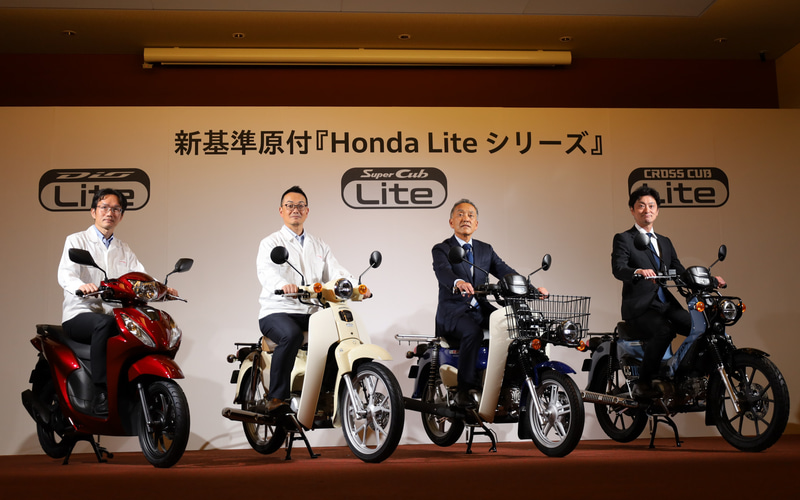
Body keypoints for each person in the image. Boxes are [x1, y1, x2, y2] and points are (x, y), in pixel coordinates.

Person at [58, 188, 176, 415]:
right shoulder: (77, 240)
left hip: (114, 315)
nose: (109, 213)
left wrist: (161, 289)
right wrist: (81, 286)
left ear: (121, 216)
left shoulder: (123, 248)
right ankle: (101, 392)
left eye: (115, 209)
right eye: (104, 207)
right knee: (104, 324)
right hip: (81, 313)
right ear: (93, 211)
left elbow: (139, 276)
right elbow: (66, 273)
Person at [256, 186, 370, 413]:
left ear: (307, 211)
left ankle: (324, 395)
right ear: (281, 210)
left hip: (310, 312)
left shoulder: (319, 245)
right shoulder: (271, 243)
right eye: (290, 205)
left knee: (340, 339)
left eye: (300, 206)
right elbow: (267, 272)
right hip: (277, 310)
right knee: (291, 335)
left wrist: (356, 286)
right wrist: (283, 286)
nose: (295, 210)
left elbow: (336, 271)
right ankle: (277, 397)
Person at [612, 186, 725, 399]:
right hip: (640, 307)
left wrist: (710, 280)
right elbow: (618, 268)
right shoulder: (624, 238)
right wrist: (638, 272)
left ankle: (687, 375)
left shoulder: (664, 241)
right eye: (641, 206)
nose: (647, 210)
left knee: (701, 327)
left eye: (651, 206)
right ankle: (644, 382)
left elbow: (680, 272)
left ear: (657, 210)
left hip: (666, 304)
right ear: (632, 210)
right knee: (664, 331)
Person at [432, 199, 547, 408]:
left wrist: (531, 289)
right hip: (454, 313)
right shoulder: (442, 249)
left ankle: (509, 383)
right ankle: (466, 390)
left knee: (514, 328)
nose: (466, 218)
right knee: (473, 333)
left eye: (471, 215)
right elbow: (443, 271)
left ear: (476, 224)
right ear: (451, 222)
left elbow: (505, 271)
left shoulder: (485, 249)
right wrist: (458, 282)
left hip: (480, 310)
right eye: (460, 214)